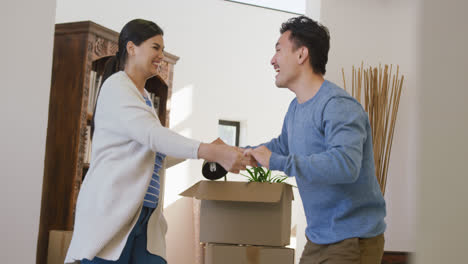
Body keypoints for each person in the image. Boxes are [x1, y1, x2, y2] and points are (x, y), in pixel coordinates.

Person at [65, 19, 250, 264]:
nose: (161, 55)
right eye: (156, 47)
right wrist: (210, 152)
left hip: (143, 216)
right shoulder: (117, 87)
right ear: (131, 48)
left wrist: (211, 147)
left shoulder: (142, 97)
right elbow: (154, 136)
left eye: (162, 49)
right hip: (114, 213)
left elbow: (155, 152)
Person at [244, 16, 386, 264]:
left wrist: (277, 161)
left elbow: (344, 165)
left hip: (352, 240)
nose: (272, 60)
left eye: (278, 50)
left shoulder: (337, 105)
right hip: (319, 238)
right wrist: (242, 153)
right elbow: (283, 146)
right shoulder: (296, 108)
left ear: (301, 55)